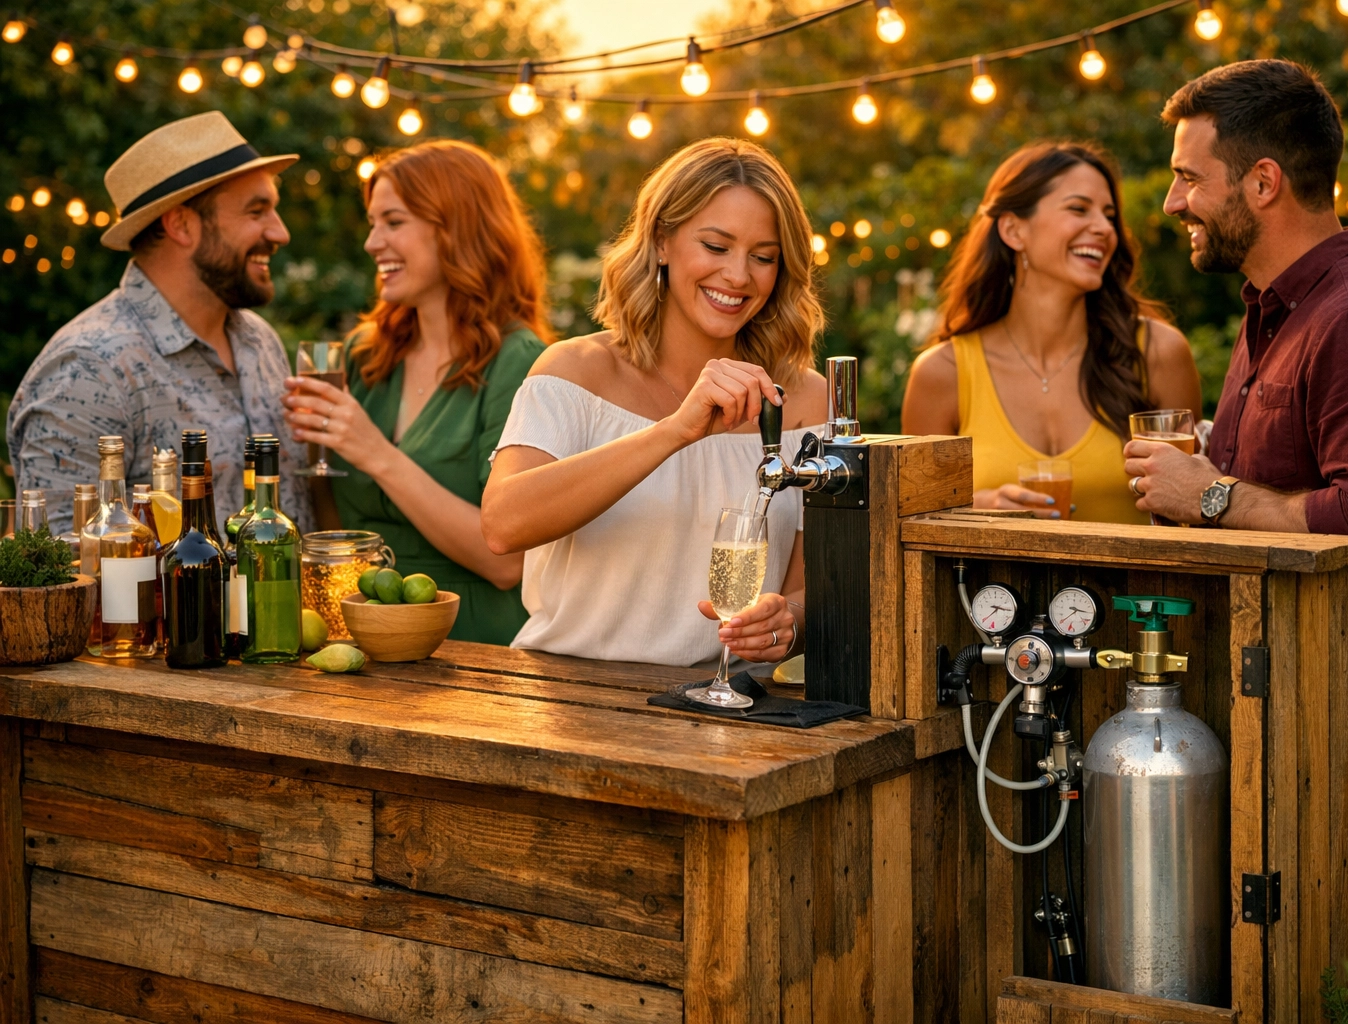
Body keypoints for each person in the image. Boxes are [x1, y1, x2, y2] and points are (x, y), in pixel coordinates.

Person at [1127, 59, 1348, 918]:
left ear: (1264, 182)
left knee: (1337, 979)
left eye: (1188, 178)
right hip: (1294, 709)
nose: (1173, 204)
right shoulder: (1275, 312)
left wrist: (1208, 496)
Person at [480, 137, 825, 668]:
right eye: (715, 246)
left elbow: (809, 592)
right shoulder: (574, 370)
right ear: (662, 241)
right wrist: (674, 430)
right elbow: (504, 525)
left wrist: (786, 625)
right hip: (568, 698)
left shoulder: (803, 400)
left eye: (764, 257)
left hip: (733, 708)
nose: (738, 276)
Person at [281, 140, 547, 644]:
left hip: (473, 646)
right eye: (372, 222)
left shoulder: (520, 363)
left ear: (456, 230)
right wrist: (316, 444)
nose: (371, 242)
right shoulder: (364, 356)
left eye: (394, 222)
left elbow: (507, 561)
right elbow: (333, 511)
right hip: (365, 638)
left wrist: (375, 452)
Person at [6, 111, 314, 534]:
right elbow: (61, 577)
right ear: (182, 224)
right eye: (257, 211)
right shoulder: (89, 369)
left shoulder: (260, 341)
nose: (280, 233)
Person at [901, 141, 1200, 523]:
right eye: (1078, 209)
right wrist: (976, 506)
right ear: (1013, 230)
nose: (1104, 229)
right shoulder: (943, 374)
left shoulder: (1159, 353)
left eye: (1109, 216)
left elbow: (1190, 514)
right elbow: (915, 528)